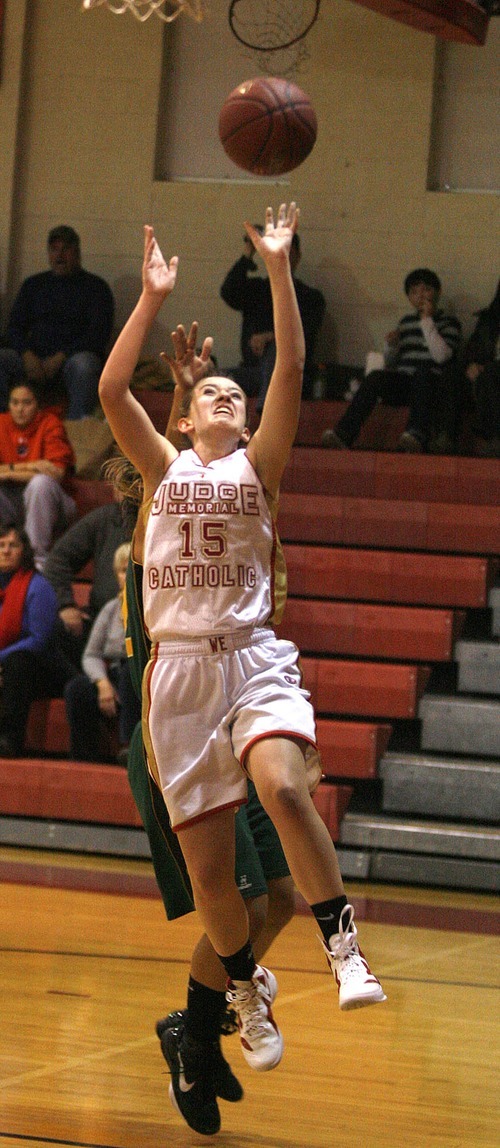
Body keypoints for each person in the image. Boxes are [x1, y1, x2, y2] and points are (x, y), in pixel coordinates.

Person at [98, 205, 385, 1097]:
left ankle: (341, 944)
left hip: (250, 658)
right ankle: (242, 990)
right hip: (178, 680)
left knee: (285, 788)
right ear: (183, 418)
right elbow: (113, 395)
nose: (233, 397)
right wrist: (149, 299)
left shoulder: (257, 470)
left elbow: (291, 365)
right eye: (214, 393)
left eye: (239, 394)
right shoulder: (165, 472)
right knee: (224, 890)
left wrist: (277, 267)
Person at [104, 336, 296, 1136]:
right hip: (175, 731)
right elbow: (142, 428)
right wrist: (182, 391)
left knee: (278, 900)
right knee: (242, 900)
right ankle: (202, 1029)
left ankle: (195, 1023)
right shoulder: (164, 503)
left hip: (231, 710)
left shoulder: (242, 508)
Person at [321, 268, 462, 453]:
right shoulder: (406, 322)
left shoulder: (449, 323)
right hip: (405, 383)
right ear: (409, 297)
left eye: (426, 289)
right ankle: (343, 434)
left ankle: (416, 434)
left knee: (422, 373)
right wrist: (391, 346)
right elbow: (391, 362)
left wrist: (427, 321)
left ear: (437, 292)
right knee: (376, 376)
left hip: (431, 385)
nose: (421, 295)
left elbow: (441, 356)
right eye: (414, 291)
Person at [0, 225, 114, 418]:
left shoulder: (96, 288)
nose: (59, 255)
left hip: (71, 361)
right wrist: (27, 355)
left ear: (77, 253)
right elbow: (14, 328)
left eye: (65, 249)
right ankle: (5, 426)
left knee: (84, 365)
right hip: (33, 359)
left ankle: (79, 430)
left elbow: (97, 336)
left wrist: (61, 357)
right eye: (54, 249)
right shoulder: (33, 285)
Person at [220, 224, 325, 411]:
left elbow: (306, 333)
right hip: (253, 372)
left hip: (289, 378)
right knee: (210, 377)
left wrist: (271, 337)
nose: (281, 258)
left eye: (287, 253)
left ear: (297, 257)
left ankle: (266, 410)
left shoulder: (311, 297)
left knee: (278, 349)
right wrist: (248, 252)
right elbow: (229, 292)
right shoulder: (257, 290)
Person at [63, 542, 140, 762]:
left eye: (134, 570)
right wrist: (102, 683)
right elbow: (91, 655)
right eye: (124, 571)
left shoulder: (153, 609)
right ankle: (83, 756)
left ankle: (129, 747)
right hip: (112, 675)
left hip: (139, 675)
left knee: (128, 670)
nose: (128, 576)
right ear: (117, 575)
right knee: (77, 688)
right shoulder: (111, 609)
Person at [43, 492, 132, 680]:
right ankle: (88, 685)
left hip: (148, 620)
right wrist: (66, 604)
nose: (123, 489)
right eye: (117, 483)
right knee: (55, 629)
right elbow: (57, 561)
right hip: (101, 616)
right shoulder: (104, 518)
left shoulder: (162, 518)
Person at [0, 523, 69, 757]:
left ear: (25, 551)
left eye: (13, 545)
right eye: (1, 545)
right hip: (7, 663)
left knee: (18, 662)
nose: (6, 551)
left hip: (41, 667)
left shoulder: (38, 586)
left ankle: (10, 741)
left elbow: (40, 640)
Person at [0, 378, 76, 571]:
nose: (20, 409)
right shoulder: (1, 423)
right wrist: (34, 466)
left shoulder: (50, 423)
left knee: (40, 483)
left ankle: (36, 560)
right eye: (14, 402)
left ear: (38, 405)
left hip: (55, 504)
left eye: (27, 403)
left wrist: (7, 471)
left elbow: (56, 472)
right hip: (13, 502)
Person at [464, 278, 500, 457]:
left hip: (493, 371)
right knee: (453, 374)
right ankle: (445, 438)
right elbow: (473, 347)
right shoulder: (489, 319)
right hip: (489, 372)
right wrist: (471, 364)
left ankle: (494, 435)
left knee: (492, 371)